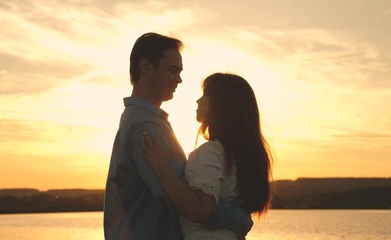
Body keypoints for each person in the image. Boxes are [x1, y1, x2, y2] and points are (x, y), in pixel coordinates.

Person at [103, 33, 253, 240]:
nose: (179, 79)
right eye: (173, 70)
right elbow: (191, 203)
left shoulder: (148, 121)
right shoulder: (146, 128)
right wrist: (241, 220)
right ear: (146, 67)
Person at [141, 73, 273, 239]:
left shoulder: (212, 152)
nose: (198, 101)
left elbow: (200, 210)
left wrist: (161, 167)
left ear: (221, 104)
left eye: (205, 95)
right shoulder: (239, 157)